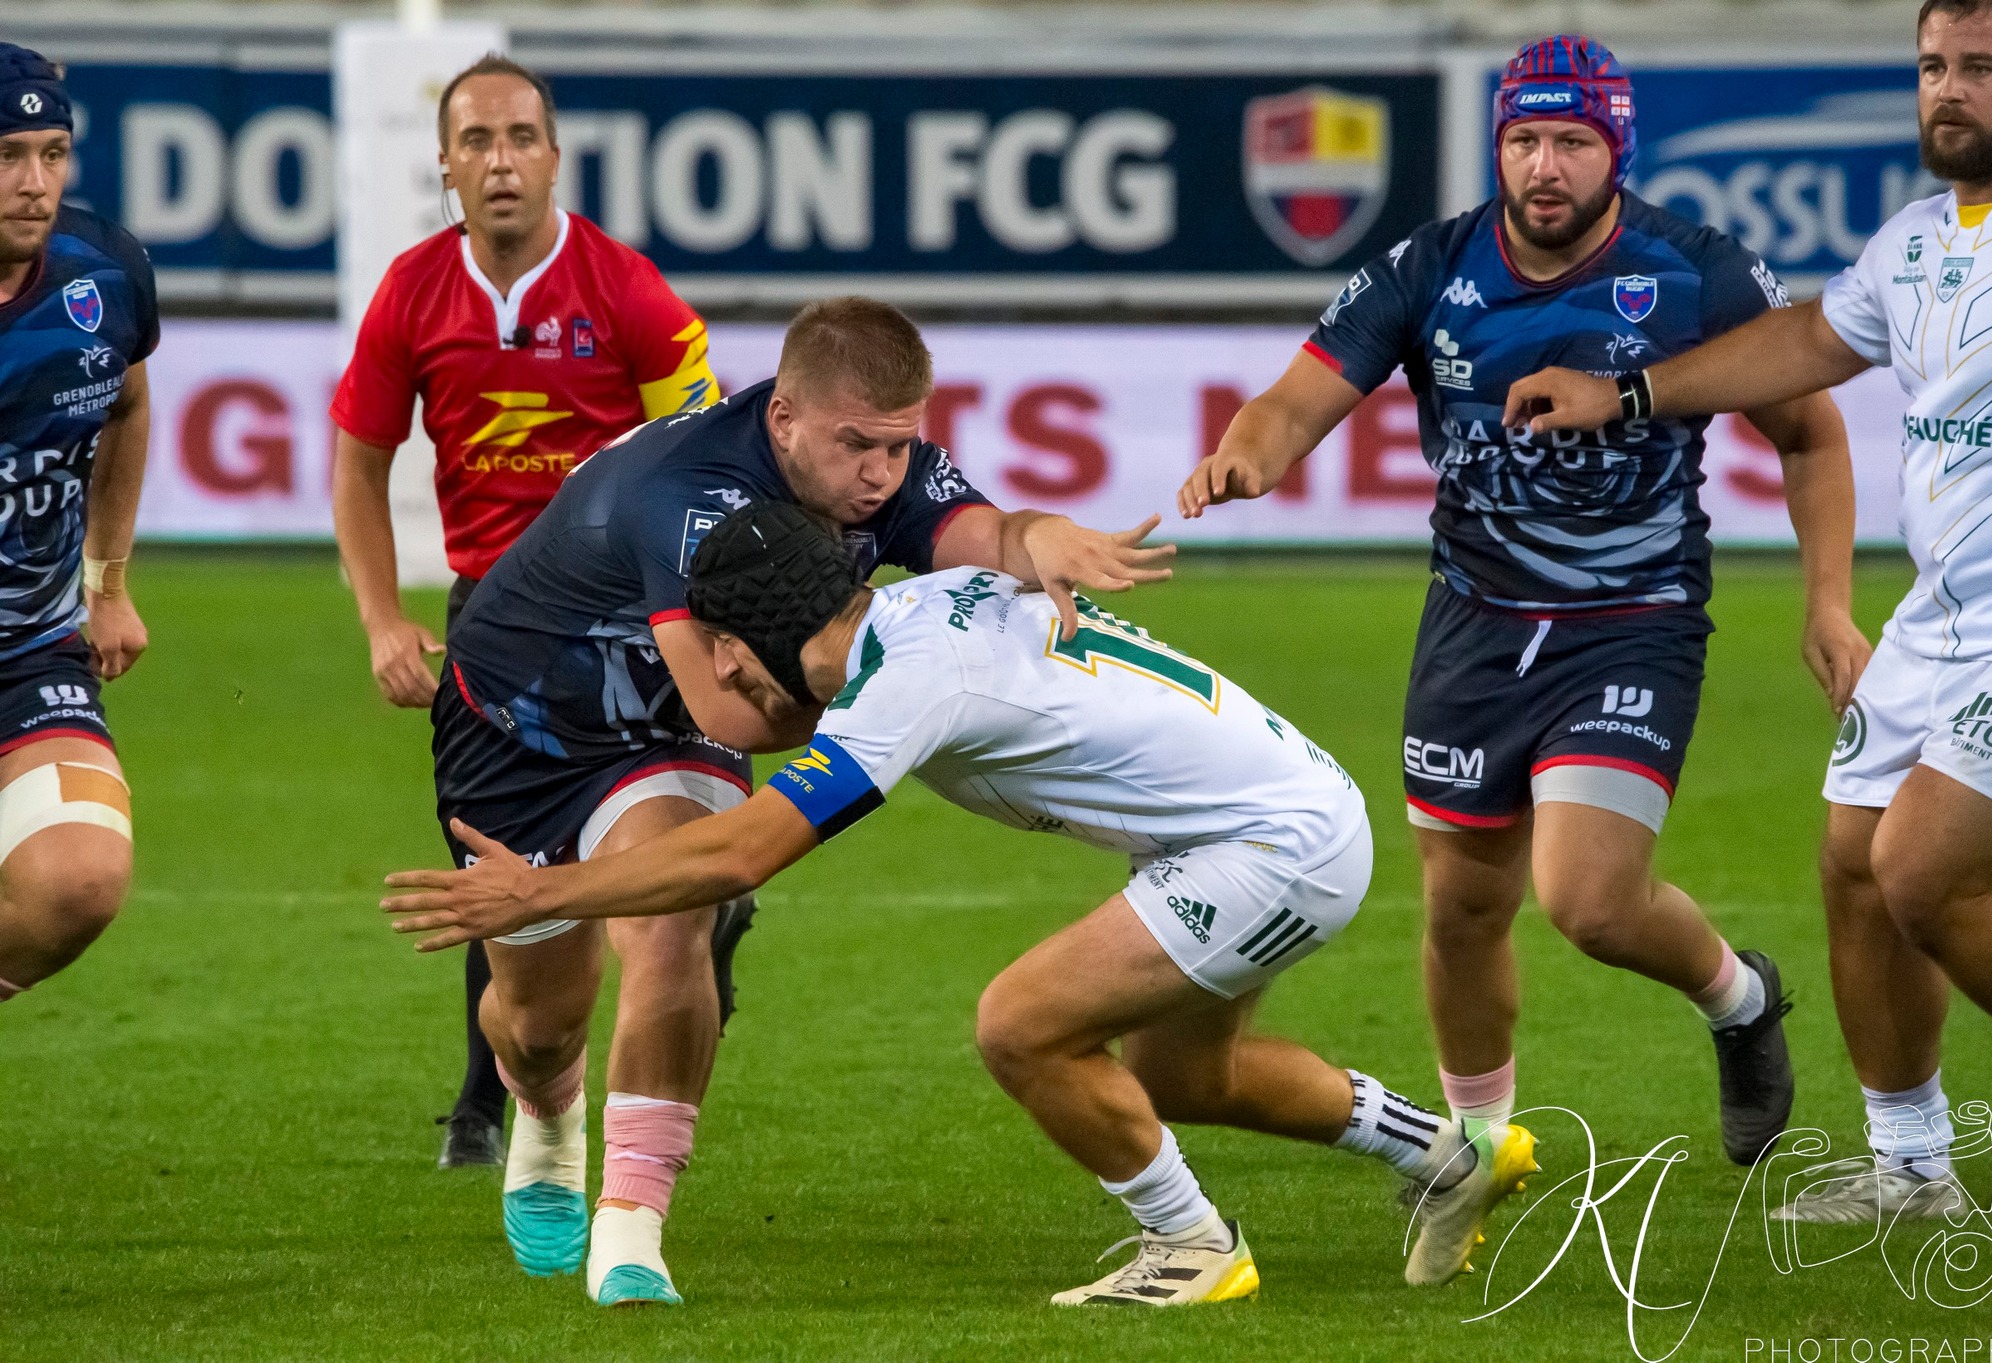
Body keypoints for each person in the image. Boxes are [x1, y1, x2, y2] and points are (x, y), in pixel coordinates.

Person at [382, 501, 1541, 1301]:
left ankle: (1187, 1243)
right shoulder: (926, 609)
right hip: (1275, 813)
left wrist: (545, 891)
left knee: (1021, 1025)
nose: (721, 682)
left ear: (768, 638)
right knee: (1184, 1078)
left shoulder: (901, 690)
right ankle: (1446, 1155)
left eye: (727, 653)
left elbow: (738, 856)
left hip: (1266, 846)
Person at [397, 296, 1177, 1306]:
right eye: (858, 446)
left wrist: (1039, 537)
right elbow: (729, 704)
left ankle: (629, 1229)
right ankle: (546, 1113)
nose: (880, 476)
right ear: (784, 420)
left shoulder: (873, 466)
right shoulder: (683, 493)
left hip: (664, 732)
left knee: (679, 916)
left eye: (898, 449)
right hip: (518, 728)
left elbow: (975, 528)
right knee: (538, 1022)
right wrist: (907, 708)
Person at [1179, 35, 1867, 1173]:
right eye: (1522, 140)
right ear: (1496, 144)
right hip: (1474, 623)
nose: (1543, 165)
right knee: (1460, 908)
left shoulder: (1694, 270)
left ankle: (1739, 999)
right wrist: (1246, 455)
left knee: (1588, 901)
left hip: (1631, 618)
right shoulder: (1427, 265)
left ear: (1615, 149)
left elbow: (1810, 430)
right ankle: (1477, 1147)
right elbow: (1291, 400)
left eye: (1570, 141)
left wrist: (1827, 605)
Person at [1503, 0, 1992, 1225]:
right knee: (1852, 867)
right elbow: (1806, 338)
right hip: (1940, 614)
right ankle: (1912, 1169)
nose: (1945, 91)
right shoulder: (1914, 241)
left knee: (1922, 871)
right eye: (1928, 67)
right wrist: (1628, 392)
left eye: (1977, 66)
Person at [329, 54, 724, 1171]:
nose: (500, 161)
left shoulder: (631, 294)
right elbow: (360, 469)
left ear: (554, 157)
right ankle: (494, 1098)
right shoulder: (412, 292)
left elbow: (697, 469)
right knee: (502, 874)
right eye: (475, 143)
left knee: (680, 899)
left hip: (635, 624)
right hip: (494, 632)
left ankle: (626, 1163)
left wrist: (696, 626)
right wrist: (379, 618)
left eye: (520, 138)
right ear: (446, 168)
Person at [0, 46, 154, 1012]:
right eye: (9, 154)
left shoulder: (106, 272)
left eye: (53, 153)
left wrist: (108, 580)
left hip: (31, 644)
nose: (34, 184)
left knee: (82, 877)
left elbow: (128, 407)